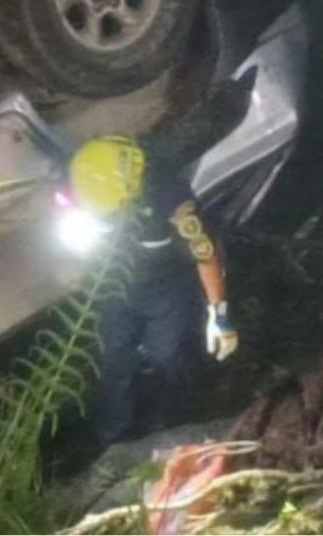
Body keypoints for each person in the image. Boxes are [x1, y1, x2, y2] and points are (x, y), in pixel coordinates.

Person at [69, 135, 239, 445]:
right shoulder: (87, 191)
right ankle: (111, 432)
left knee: (166, 356)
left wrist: (220, 316)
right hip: (113, 287)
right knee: (113, 359)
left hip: (164, 288)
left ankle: (170, 420)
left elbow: (205, 253)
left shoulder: (168, 198)